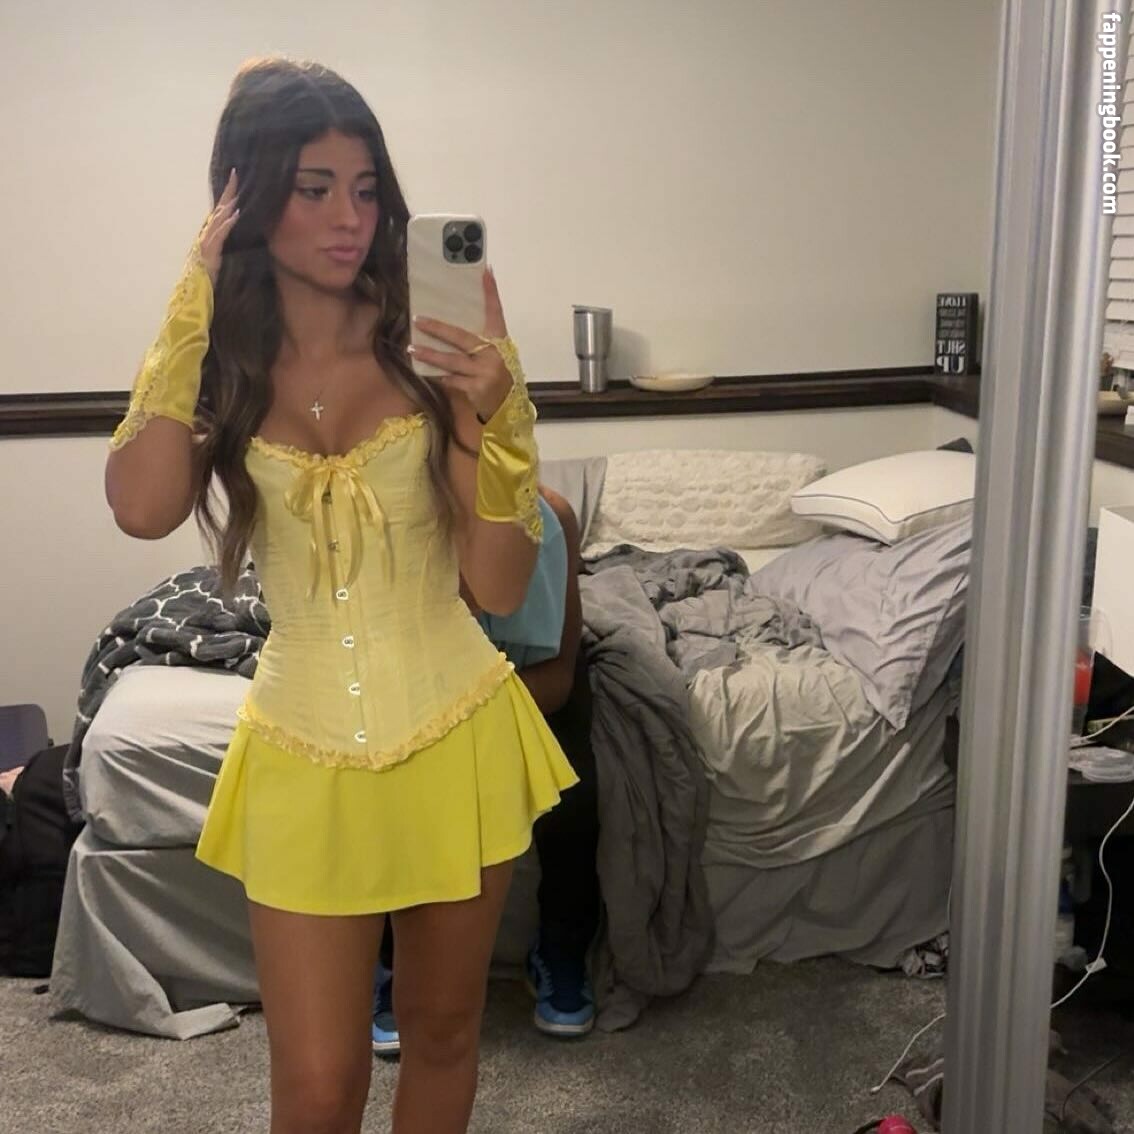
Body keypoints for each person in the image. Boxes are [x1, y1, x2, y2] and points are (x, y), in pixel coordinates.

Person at [103, 56, 577, 1134]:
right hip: (301, 747)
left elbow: (499, 582)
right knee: (317, 1086)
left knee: (442, 1036)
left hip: (454, 732)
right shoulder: (222, 358)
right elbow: (141, 506)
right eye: (314, 188)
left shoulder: (433, 347)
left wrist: (493, 416)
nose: (349, 218)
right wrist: (190, 297)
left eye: (365, 189)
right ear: (249, 195)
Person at [371, 486, 601, 1054]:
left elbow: (559, 676)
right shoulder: (395, 514)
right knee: (386, 784)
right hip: (421, 692)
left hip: (528, 687)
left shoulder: (552, 517)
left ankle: (561, 947)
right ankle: (391, 959)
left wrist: (477, 725)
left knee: (572, 791)